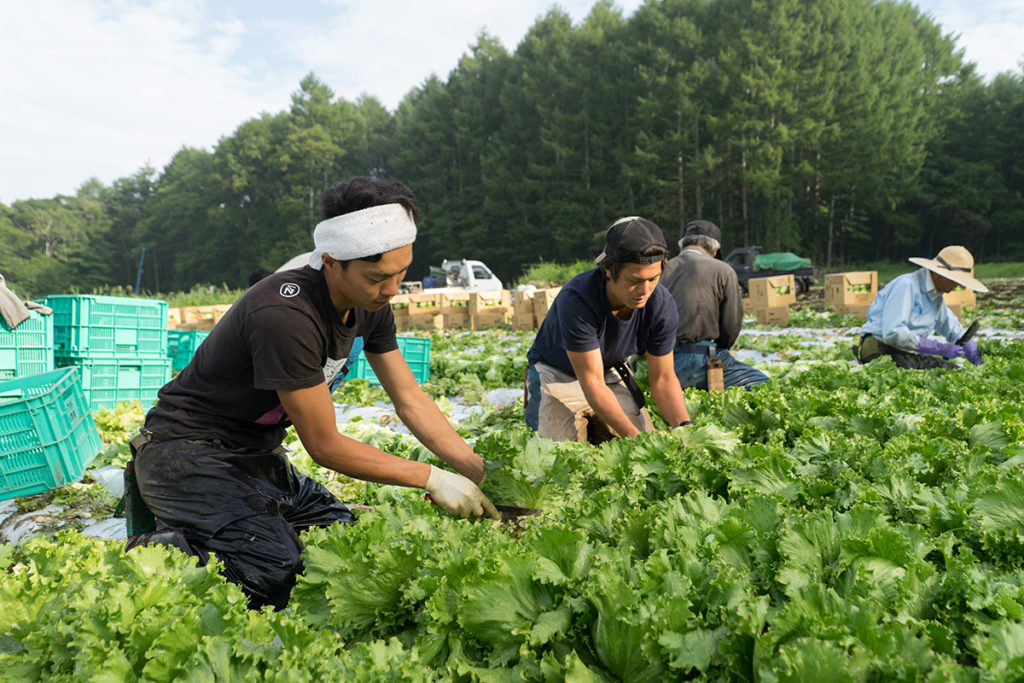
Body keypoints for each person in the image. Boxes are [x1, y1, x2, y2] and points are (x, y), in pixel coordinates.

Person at [126, 177, 500, 610]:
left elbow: (410, 400)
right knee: (274, 573)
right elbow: (324, 445)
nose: (392, 290)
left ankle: (226, 526)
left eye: (401, 273)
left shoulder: (371, 305)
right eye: (378, 277)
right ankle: (156, 548)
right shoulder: (285, 315)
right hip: (183, 454)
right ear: (330, 262)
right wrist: (431, 477)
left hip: (256, 458)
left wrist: (474, 469)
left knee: (341, 538)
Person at [524, 216, 692, 442]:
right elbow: (592, 383)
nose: (645, 290)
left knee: (639, 442)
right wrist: (637, 441)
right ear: (609, 270)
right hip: (556, 373)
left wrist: (685, 429)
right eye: (634, 281)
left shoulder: (661, 305)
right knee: (559, 454)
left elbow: (663, 379)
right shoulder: (577, 301)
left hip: (607, 370)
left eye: (653, 279)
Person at [662, 220, 769, 390]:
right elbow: (731, 325)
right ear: (714, 249)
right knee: (762, 385)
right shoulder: (723, 270)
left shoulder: (661, 269)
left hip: (661, 361)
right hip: (699, 359)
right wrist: (720, 349)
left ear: (682, 245)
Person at [856, 245, 987, 370]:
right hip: (880, 349)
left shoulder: (935, 297)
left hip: (903, 352)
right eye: (955, 280)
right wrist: (937, 347)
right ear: (937, 274)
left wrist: (974, 355)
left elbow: (952, 329)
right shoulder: (906, 286)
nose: (957, 285)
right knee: (936, 371)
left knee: (952, 370)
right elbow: (893, 333)